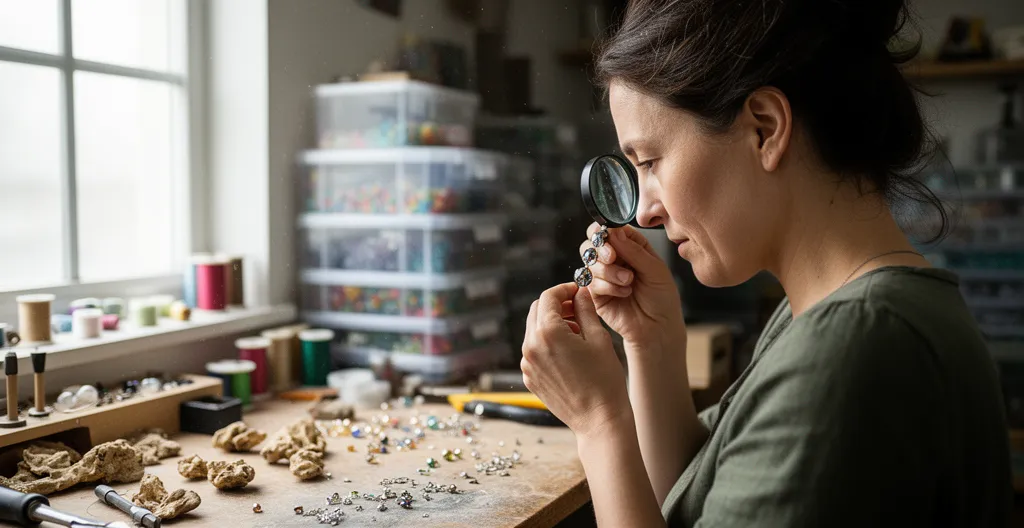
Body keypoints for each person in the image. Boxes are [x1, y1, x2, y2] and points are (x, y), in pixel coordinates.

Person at [519, 0, 1013, 526]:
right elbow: (691, 499)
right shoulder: (824, 316)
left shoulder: (853, 346)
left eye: (651, 161)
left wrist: (599, 423)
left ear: (765, 128)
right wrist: (653, 343)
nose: (645, 210)